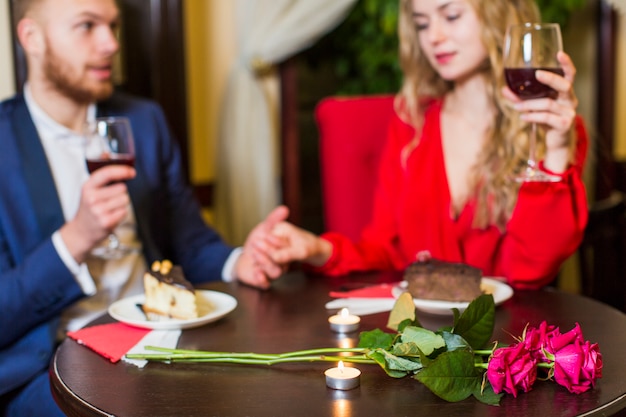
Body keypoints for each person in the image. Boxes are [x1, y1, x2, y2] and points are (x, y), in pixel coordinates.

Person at [0, 0, 286, 415]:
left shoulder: (144, 121)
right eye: (87, 26)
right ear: (32, 38)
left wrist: (240, 261)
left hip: (162, 339)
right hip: (52, 366)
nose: (110, 43)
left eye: (113, 26)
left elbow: (192, 242)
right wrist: (75, 239)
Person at [261, 0, 588, 290]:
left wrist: (557, 152)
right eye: (422, 22)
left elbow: (531, 272)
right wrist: (318, 250)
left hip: (506, 343)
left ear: (500, 13)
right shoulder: (411, 125)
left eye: (451, 15)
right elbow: (383, 254)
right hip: (421, 340)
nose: (433, 36)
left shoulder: (552, 128)